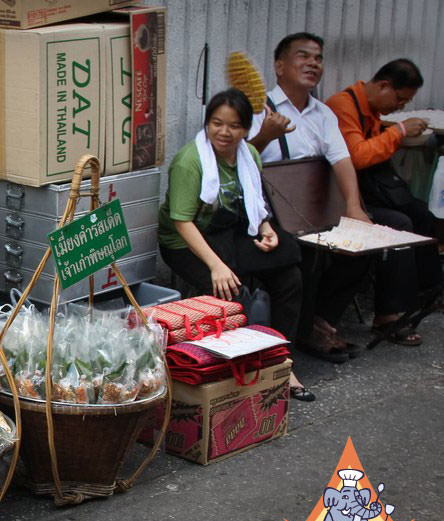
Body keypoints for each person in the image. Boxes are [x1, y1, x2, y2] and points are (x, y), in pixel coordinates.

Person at [248, 33, 425, 353]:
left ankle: (321, 320)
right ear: (279, 66)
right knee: (307, 252)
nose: (313, 63)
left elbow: (343, 161)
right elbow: (238, 164)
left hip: (315, 206)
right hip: (269, 210)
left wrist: (355, 208)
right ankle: (299, 334)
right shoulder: (258, 107)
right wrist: (264, 136)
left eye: (318, 58)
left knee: (366, 238)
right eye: (303, 56)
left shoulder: (323, 113)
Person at [158, 89, 309, 400]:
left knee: (289, 276)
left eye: (234, 126)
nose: (224, 133)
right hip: (186, 242)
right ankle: (245, 372)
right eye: (216, 123)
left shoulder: (249, 155)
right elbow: (181, 222)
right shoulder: (190, 162)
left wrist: (266, 228)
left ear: (246, 129)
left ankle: (282, 359)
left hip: (229, 234)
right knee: (230, 291)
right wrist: (216, 266)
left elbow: (253, 204)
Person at [326, 58, 442, 342]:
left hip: (369, 190)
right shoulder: (343, 106)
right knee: (398, 224)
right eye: (399, 100)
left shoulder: (373, 111)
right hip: (340, 196)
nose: (399, 108)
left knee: (419, 212)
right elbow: (358, 156)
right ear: (384, 86)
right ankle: (389, 314)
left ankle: (429, 291)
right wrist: (399, 132)